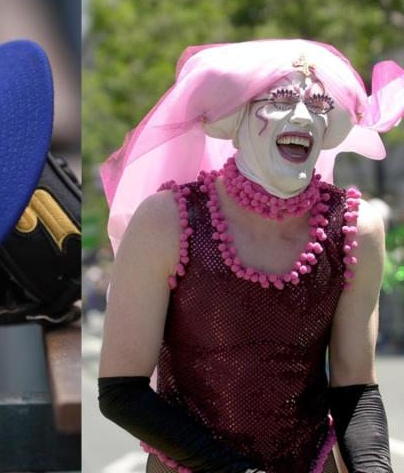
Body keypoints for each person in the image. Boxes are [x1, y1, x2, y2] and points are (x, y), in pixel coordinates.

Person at [97, 39, 404, 473]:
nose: (302, 116)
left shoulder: (355, 227)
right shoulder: (167, 221)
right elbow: (121, 391)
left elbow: (355, 387)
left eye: (317, 103)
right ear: (234, 118)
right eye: (279, 99)